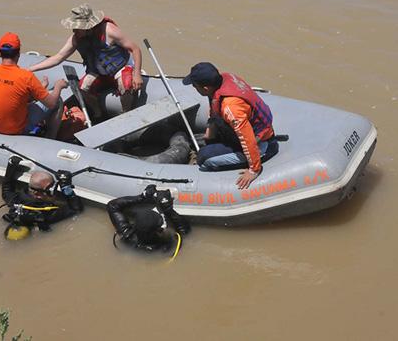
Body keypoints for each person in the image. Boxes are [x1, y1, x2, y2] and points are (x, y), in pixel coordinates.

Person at [29, 3, 143, 121]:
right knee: (83, 88)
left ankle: (126, 115)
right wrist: (31, 69)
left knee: (127, 83)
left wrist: (137, 74)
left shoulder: (109, 30)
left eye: (77, 27)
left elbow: (135, 49)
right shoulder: (76, 38)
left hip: (120, 67)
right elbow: (58, 57)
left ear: (87, 27)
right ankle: (98, 114)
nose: (74, 30)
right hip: (99, 71)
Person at [183, 62, 275, 190]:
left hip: (260, 142)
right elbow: (215, 108)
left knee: (204, 158)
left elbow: (247, 139)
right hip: (241, 129)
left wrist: (254, 170)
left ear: (205, 88)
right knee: (206, 140)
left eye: (195, 85)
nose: (193, 86)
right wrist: (210, 132)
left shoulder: (230, 107)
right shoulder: (225, 79)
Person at [0, 32, 68, 138]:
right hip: (14, 129)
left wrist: (41, 88)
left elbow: (12, 94)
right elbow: (51, 103)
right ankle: (50, 138)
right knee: (58, 101)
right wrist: (58, 86)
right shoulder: (26, 76)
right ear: (18, 54)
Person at [0, 156, 83, 239]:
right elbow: (76, 209)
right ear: (37, 193)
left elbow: (6, 189)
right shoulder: (48, 213)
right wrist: (67, 188)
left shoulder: (15, 199)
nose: (54, 190)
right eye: (49, 189)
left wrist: (11, 166)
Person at [107, 185, 190, 252]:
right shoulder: (166, 246)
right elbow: (185, 232)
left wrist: (141, 197)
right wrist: (168, 210)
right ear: (158, 231)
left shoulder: (129, 237)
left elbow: (112, 206)